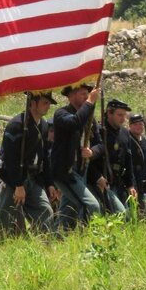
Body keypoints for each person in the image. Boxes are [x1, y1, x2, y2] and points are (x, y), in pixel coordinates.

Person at [0, 91, 56, 235]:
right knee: (6, 220)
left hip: (34, 178)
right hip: (13, 179)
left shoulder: (43, 125)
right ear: (32, 103)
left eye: (48, 103)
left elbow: (45, 157)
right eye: (44, 102)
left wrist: (49, 183)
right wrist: (18, 185)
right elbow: (10, 159)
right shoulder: (16, 125)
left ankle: (46, 248)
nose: (48, 106)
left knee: (45, 211)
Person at [50, 83, 103, 231]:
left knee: (67, 212)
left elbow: (100, 145)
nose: (87, 97)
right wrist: (90, 102)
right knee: (91, 205)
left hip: (81, 170)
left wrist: (92, 152)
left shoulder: (89, 117)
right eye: (83, 94)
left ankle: (56, 240)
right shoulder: (61, 114)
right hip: (66, 172)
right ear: (71, 96)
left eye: (88, 94)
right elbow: (74, 123)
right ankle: (87, 240)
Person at [89, 98, 137, 216]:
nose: (123, 118)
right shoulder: (99, 131)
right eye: (119, 115)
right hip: (101, 182)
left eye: (124, 115)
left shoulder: (125, 133)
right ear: (109, 113)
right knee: (118, 215)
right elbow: (89, 159)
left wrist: (130, 184)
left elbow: (128, 160)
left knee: (124, 216)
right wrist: (97, 177)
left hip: (118, 182)